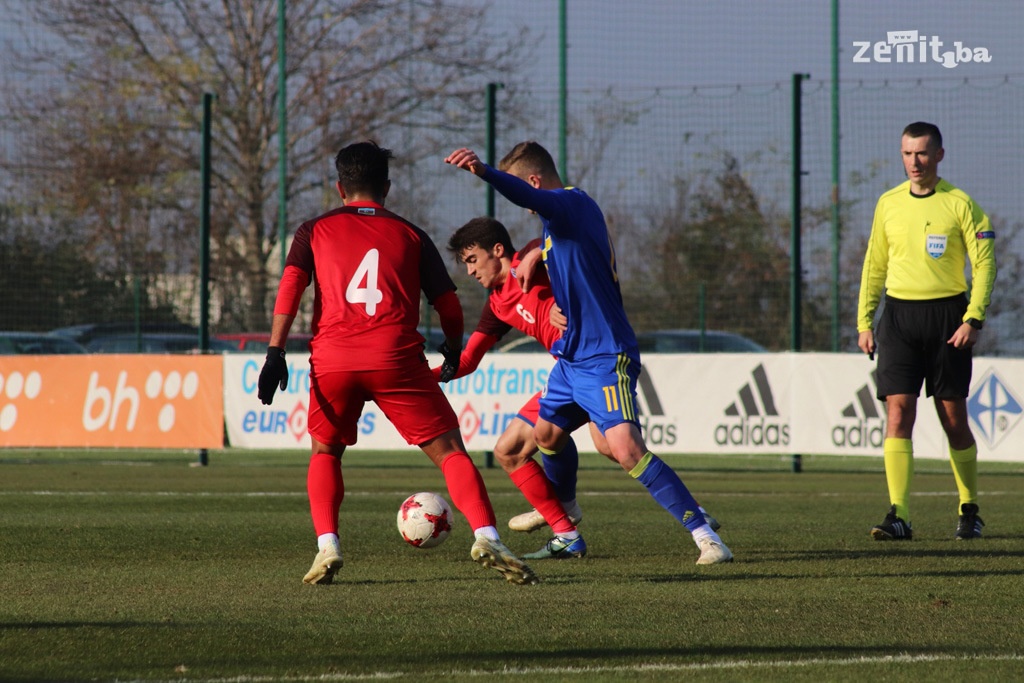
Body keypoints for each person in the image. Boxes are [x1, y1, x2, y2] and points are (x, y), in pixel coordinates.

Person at [257, 141, 538, 585]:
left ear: (339, 187)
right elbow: (448, 303)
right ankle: (487, 536)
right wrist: (451, 346)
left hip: (333, 359)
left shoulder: (313, 230)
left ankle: (327, 546)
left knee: (326, 452)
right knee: (449, 453)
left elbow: (291, 287)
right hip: (395, 357)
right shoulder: (411, 235)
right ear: (386, 188)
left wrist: (274, 352)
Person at [445, 142, 732, 565]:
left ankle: (706, 536)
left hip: (604, 354)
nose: (528, 209)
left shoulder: (569, 205)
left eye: (529, 197)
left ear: (535, 183)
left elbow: (529, 203)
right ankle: (567, 518)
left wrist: (483, 171)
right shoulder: (553, 227)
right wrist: (532, 254)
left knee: (626, 448)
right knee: (544, 436)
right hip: (570, 360)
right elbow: (545, 249)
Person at [857, 122, 996, 541]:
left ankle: (968, 506)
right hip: (898, 317)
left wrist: (973, 317)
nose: (913, 162)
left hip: (947, 319)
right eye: (906, 153)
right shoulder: (888, 203)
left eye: (921, 153)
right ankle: (898, 514)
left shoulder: (961, 204)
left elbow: (985, 264)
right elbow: (874, 264)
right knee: (898, 410)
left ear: (938, 155)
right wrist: (865, 320)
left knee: (953, 418)